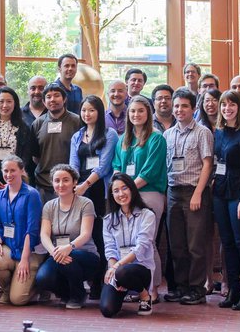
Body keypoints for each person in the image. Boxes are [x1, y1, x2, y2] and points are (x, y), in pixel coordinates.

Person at [111, 95, 166, 300]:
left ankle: (153, 289)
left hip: (148, 194)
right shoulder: (123, 139)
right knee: (131, 242)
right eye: (132, 111)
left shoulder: (156, 138)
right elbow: (117, 166)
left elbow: (149, 172)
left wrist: (125, 189)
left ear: (148, 113)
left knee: (147, 243)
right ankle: (137, 287)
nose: (136, 115)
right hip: (126, 197)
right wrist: (121, 189)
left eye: (141, 111)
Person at [164, 88, 214, 306]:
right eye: (176, 106)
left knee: (195, 244)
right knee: (177, 244)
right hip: (173, 191)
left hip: (194, 191)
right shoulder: (168, 134)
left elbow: (208, 164)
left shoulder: (203, 132)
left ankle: (196, 288)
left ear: (193, 108)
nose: (179, 110)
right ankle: (181, 286)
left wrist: (198, 193)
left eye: (184, 106)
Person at [69, 95, 118, 298]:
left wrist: (85, 184)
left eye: (91, 110)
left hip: (100, 191)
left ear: (99, 112)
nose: (87, 114)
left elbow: (104, 165)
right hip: (79, 191)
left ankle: (103, 283)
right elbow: (73, 164)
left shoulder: (110, 134)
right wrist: (74, 186)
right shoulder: (77, 135)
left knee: (102, 237)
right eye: (84, 110)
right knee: (84, 235)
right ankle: (89, 279)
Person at [213, 91, 240, 310]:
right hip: (219, 194)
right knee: (227, 243)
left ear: (239, 108)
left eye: (231, 105)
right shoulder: (218, 132)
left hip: (238, 195)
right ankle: (233, 290)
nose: (226, 109)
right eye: (223, 105)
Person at [35, 164, 100, 309]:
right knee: (42, 278)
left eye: (66, 180)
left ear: (74, 182)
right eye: (57, 180)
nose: (61, 184)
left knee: (70, 259)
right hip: (57, 254)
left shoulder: (85, 203)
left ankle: (78, 296)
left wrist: (69, 247)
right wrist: (54, 252)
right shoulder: (49, 206)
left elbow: (86, 234)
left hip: (85, 255)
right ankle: (66, 294)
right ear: (52, 183)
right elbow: (44, 235)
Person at [0, 155, 44, 306]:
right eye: (5, 171)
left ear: (22, 171)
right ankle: (8, 288)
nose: (8, 175)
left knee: (18, 300)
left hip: (30, 251)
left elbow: (32, 230)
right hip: (10, 246)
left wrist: (24, 260)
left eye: (13, 170)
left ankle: (38, 287)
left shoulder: (31, 195)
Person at [99, 174, 156, 318]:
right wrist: (113, 268)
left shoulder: (147, 215)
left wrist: (117, 267)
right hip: (118, 269)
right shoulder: (108, 220)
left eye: (124, 188)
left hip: (141, 269)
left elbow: (141, 247)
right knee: (107, 309)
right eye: (116, 191)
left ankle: (144, 296)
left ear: (132, 189)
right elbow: (110, 248)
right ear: (112, 195)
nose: (121, 193)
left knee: (122, 272)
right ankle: (124, 287)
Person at [0, 87, 35, 197]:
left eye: (9, 101)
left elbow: (26, 156)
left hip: (15, 178)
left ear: (15, 103)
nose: (5, 105)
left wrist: (14, 176)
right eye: (1, 101)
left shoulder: (24, 128)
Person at [30, 83, 80, 203]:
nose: (52, 99)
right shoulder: (37, 123)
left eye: (57, 95)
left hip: (70, 185)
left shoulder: (77, 121)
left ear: (64, 99)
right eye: (48, 96)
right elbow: (35, 156)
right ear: (44, 101)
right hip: (43, 184)